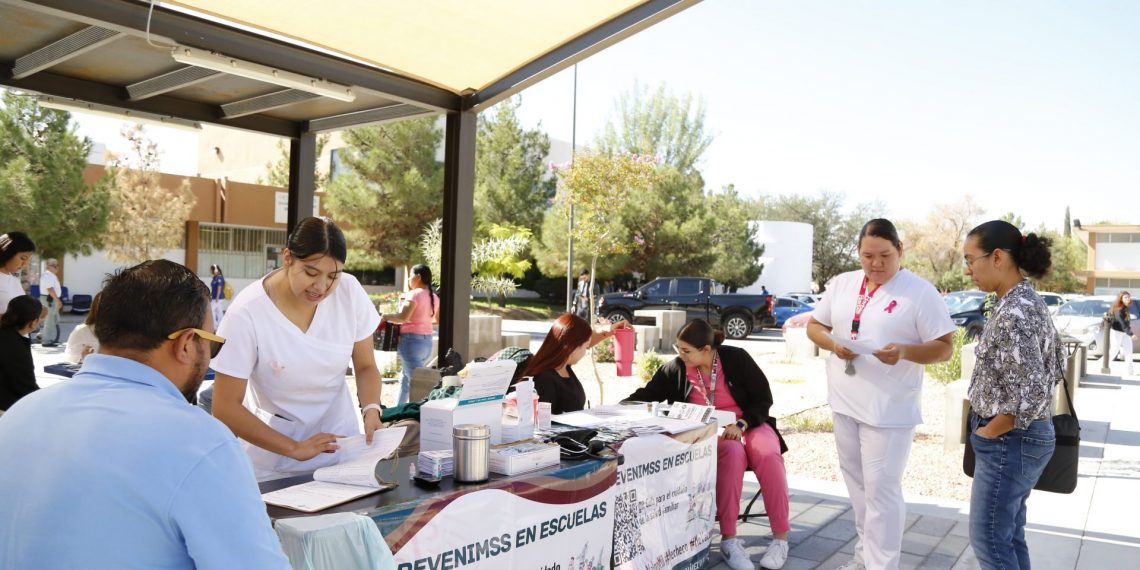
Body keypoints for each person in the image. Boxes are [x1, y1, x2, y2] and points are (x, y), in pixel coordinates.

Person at [0, 260, 290, 568]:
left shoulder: (21, 416)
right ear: (187, 344)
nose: (209, 359)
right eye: (212, 346)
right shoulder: (200, 442)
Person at [806, 218, 956, 570]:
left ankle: (881, 565)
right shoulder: (843, 283)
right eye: (867, 255)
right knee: (858, 488)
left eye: (885, 255)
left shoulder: (919, 292)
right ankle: (864, 558)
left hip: (888, 410)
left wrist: (904, 352)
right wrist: (834, 344)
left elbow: (944, 348)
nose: (876, 264)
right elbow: (815, 326)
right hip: (845, 400)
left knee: (882, 492)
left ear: (900, 250)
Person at [211, 216, 386, 481]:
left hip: (340, 450)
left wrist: (371, 408)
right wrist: (294, 448)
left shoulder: (349, 292)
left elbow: (365, 365)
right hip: (275, 464)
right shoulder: (247, 313)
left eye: (333, 276)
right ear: (287, 258)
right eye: (311, 273)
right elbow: (225, 407)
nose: (321, 287)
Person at [625, 319, 791, 570]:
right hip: (709, 431)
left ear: (705, 349)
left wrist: (742, 424)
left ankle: (780, 539)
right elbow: (647, 395)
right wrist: (616, 410)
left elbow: (763, 399)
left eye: (686, 350)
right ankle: (729, 539)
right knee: (732, 453)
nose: (680, 355)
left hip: (748, 422)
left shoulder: (736, 359)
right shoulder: (677, 368)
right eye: (678, 348)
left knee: (768, 455)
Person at [963, 221, 1065, 570]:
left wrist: (991, 429)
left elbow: (1035, 387)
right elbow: (1056, 363)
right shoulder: (1026, 300)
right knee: (1008, 536)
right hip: (1020, 438)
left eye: (970, 259)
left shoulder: (1014, 311)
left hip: (1010, 438)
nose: (968, 269)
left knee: (989, 540)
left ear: (997, 257)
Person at [522, 313, 626, 414]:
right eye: (586, 347)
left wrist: (610, 331)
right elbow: (543, 424)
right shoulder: (545, 379)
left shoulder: (564, 367)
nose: (586, 351)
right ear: (572, 347)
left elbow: (583, 339)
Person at [381, 264, 440, 405]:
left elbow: (403, 317)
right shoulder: (434, 296)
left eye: (410, 275)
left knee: (419, 384)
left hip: (410, 343)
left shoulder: (414, 294)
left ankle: (425, 413)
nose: (408, 279)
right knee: (406, 380)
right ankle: (399, 409)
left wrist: (385, 316)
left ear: (418, 277)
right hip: (426, 344)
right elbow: (437, 320)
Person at [0, 295, 47, 413]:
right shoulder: (15, 347)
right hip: (7, 408)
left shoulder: (7, 334)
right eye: (39, 319)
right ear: (33, 323)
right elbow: (26, 388)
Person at [0, 232, 35, 316]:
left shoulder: (14, 279)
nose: (25, 264)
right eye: (23, 258)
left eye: (28, 260)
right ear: (7, 253)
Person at [65, 292, 103, 364]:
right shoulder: (82, 331)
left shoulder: (126, 333)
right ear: (96, 308)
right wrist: (83, 358)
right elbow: (70, 358)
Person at [37, 258, 62, 346]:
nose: (56, 267)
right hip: (50, 299)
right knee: (50, 320)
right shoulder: (48, 275)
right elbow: (50, 289)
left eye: (57, 265)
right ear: (47, 266)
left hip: (50, 299)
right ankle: (46, 341)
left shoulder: (51, 275)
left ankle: (42, 336)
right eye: (53, 265)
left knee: (54, 319)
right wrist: (58, 300)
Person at [1109, 290, 1135, 376]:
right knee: (1114, 351)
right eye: (1125, 297)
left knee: (1129, 351)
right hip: (1117, 332)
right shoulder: (1118, 310)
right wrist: (1131, 333)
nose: (1128, 299)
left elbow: (1127, 321)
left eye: (1128, 297)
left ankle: (1130, 372)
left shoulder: (1126, 308)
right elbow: (1122, 323)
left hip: (1125, 333)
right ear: (1121, 299)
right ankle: (1102, 366)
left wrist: (1128, 331)